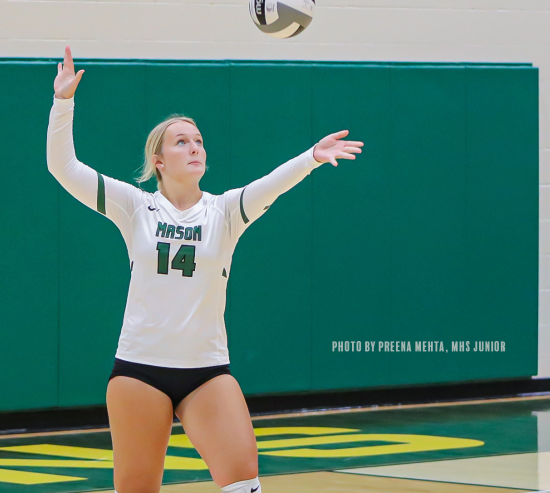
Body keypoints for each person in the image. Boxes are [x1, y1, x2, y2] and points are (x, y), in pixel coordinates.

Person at [47, 46, 363, 493]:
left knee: (243, 483)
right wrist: (63, 103)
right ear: (159, 161)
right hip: (139, 370)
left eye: (198, 141)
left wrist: (312, 156)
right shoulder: (136, 207)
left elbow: (271, 185)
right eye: (181, 142)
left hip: (207, 371)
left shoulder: (226, 211)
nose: (194, 147)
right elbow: (64, 169)